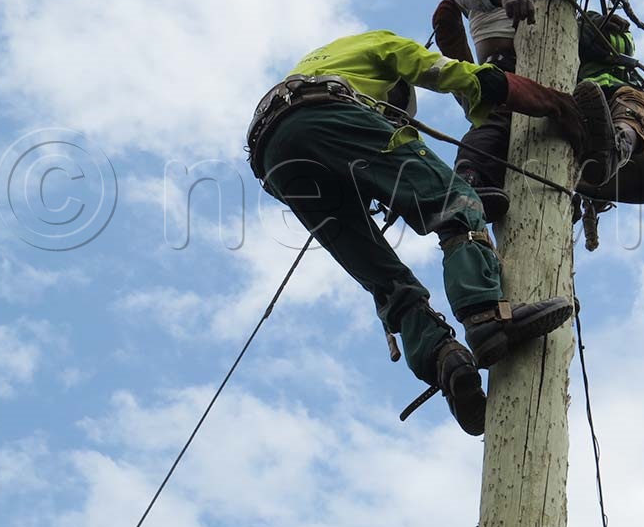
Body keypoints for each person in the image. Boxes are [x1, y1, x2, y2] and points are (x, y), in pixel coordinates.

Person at [246, 30, 614, 436]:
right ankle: (486, 315)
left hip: (273, 154)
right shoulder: (381, 47)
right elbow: (448, 73)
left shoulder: (328, 62)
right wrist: (547, 100)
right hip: (323, 112)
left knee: (382, 276)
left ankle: (442, 357)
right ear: (394, 96)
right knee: (456, 201)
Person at [436, 0, 644, 220]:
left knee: (628, 102)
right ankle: (469, 186)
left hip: (576, 113)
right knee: (497, 123)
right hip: (510, 74)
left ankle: (613, 147)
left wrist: (595, 30)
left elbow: (617, 47)